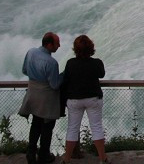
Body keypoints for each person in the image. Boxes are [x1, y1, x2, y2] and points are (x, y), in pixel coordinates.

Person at [18, 33, 63, 164]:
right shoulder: (52, 62)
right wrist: (63, 76)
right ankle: (44, 154)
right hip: (46, 98)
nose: (59, 45)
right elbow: (54, 85)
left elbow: (24, 70)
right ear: (49, 45)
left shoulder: (31, 52)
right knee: (47, 126)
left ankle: (31, 153)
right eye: (57, 43)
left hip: (33, 93)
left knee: (36, 123)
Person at [61, 35, 106, 164]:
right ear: (91, 47)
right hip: (93, 98)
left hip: (74, 100)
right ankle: (103, 159)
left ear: (75, 49)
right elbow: (101, 74)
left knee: (72, 129)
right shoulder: (96, 63)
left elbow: (66, 79)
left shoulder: (70, 63)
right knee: (96, 127)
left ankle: (66, 160)